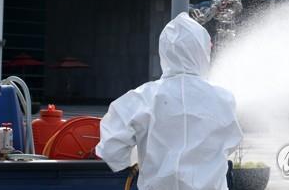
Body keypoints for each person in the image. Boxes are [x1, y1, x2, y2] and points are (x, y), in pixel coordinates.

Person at [95, 12, 243, 190]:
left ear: (164, 51)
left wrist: (137, 157)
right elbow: (232, 142)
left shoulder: (143, 97)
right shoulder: (223, 98)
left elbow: (111, 150)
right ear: (202, 51)